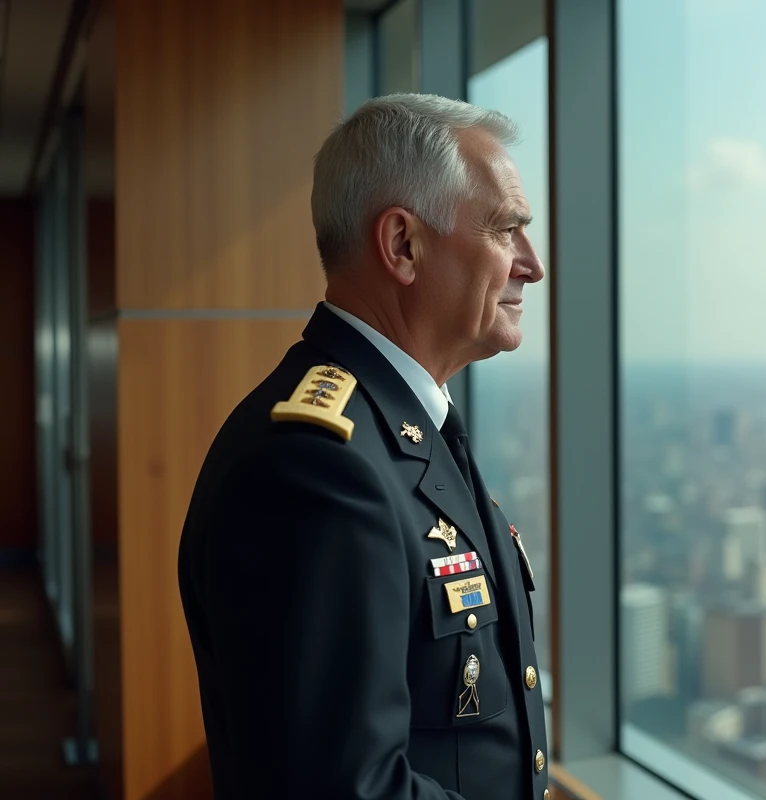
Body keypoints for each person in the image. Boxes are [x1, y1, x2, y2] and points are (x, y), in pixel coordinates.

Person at [177, 93, 549, 800]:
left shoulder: (401, 429)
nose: (531, 265)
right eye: (506, 230)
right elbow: (343, 788)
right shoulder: (314, 466)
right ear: (403, 245)